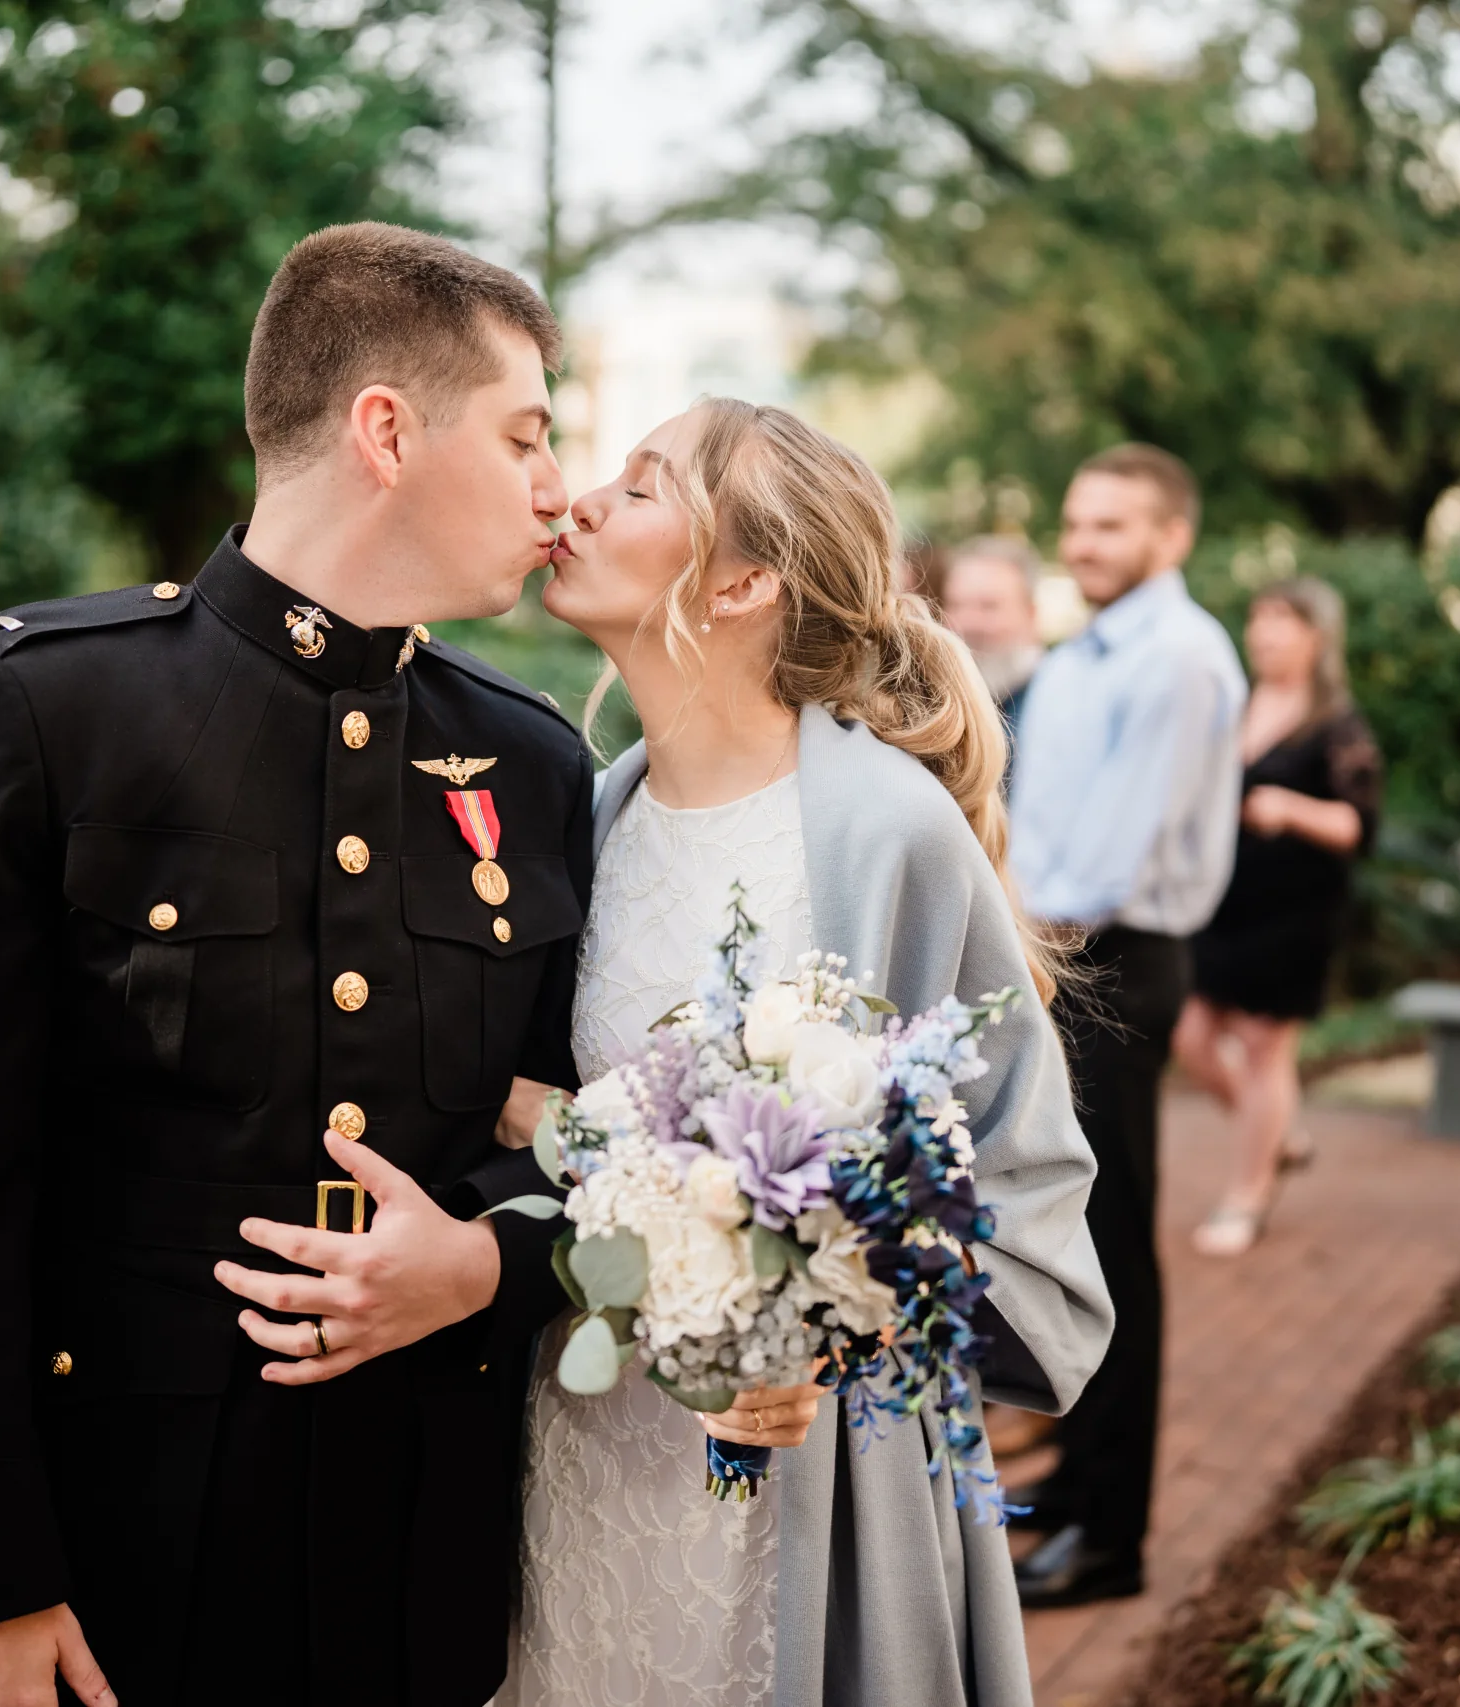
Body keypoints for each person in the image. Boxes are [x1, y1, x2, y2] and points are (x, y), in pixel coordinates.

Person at [0, 223, 592, 1707]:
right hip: (125, 1560)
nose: (557, 485)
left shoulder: (529, 757)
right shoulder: (49, 708)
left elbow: (577, 1135)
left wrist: (487, 1259)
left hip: (420, 1567)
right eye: (525, 436)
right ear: (387, 431)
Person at [500, 398, 1112, 1707]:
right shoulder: (587, 818)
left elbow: (1021, 1192)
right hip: (583, 1454)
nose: (580, 500)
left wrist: (822, 1324)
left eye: (641, 486)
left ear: (742, 582)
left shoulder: (886, 836)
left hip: (789, 1492)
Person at [1004, 443, 1245, 1610]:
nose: (1083, 542)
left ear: (1170, 536)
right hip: (1053, 953)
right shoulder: (1079, 658)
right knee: (1063, 1228)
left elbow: (1107, 857)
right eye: (1076, 521)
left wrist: (1013, 943)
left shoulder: (1180, 659)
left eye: (1110, 525)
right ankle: (1071, 1486)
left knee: (1109, 1244)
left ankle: (1111, 1541)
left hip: (1108, 959)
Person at [1175, 579, 1380, 1257]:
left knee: (1265, 1047)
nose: (1263, 632)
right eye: (1258, 618)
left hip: (1295, 912)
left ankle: (1248, 1196)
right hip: (1224, 902)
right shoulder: (1236, 704)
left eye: (1281, 620)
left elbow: (1358, 823)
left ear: (1316, 636)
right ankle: (1278, 1134)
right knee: (1191, 1036)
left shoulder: (1338, 724)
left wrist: (1289, 809)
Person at [936, 535, 1046, 731]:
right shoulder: (933, 707)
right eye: (956, 605)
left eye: (988, 606)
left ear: (1030, 615)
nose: (968, 623)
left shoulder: (1058, 701)